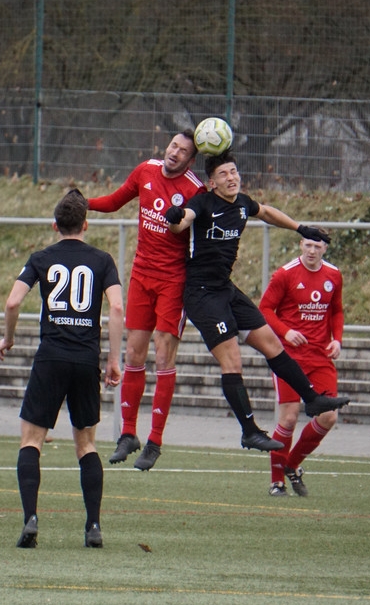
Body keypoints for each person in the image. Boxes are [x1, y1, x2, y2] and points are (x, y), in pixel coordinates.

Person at [165, 151, 349, 451]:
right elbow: (183, 220)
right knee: (232, 360)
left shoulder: (242, 203)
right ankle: (249, 430)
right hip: (202, 294)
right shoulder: (203, 203)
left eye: (234, 171)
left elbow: (266, 212)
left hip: (226, 289)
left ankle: (313, 399)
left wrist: (300, 228)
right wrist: (175, 219)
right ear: (212, 183)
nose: (231, 178)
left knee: (273, 344)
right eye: (223, 174)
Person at [0, 189, 123, 548]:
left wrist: (8, 339)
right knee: (86, 445)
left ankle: (31, 519)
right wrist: (113, 360)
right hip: (86, 360)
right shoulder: (102, 260)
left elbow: (12, 302)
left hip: (51, 357)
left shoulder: (41, 258)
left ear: (55, 225)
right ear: (86, 224)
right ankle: (93, 526)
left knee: (31, 441)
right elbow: (116, 309)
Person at [88, 130, 205, 471]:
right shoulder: (146, 170)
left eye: (183, 151)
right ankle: (128, 434)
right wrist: (83, 203)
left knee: (163, 355)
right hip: (141, 276)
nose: (175, 152)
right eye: (173, 145)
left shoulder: (195, 190)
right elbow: (114, 201)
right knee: (133, 354)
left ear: (191, 160)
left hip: (173, 282)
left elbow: (193, 229)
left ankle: (154, 441)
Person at [259, 228, 344, 496]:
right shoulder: (285, 274)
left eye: (317, 247)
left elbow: (337, 310)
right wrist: (286, 332)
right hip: (288, 358)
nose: (311, 251)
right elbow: (265, 309)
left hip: (320, 357)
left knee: (329, 416)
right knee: (289, 418)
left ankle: (291, 464)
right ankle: (277, 483)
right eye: (308, 245)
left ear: (325, 249)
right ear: (300, 245)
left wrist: (337, 340)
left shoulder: (334, 275)